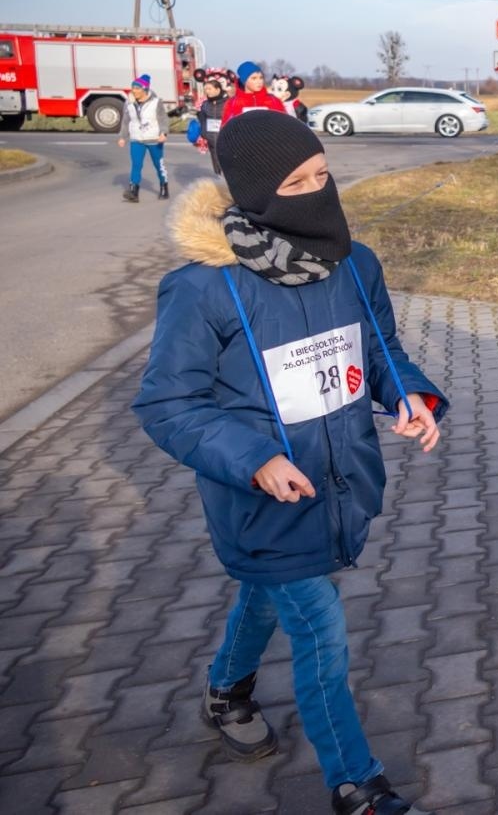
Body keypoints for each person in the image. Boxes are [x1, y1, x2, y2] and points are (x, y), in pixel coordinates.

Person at [132, 111, 446, 815]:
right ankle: (357, 785)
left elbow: (380, 349)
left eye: (322, 174)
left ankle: (226, 690)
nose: (316, 192)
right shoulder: (204, 287)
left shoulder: (355, 262)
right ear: (254, 193)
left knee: (266, 592)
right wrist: (255, 461)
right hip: (259, 498)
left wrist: (410, 396)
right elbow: (167, 404)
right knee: (318, 627)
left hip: (340, 484)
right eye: (296, 182)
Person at [118, 74, 169, 202]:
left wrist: (163, 133)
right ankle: (133, 192)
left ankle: (164, 186)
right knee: (136, 165)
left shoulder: (156, 102)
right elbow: (125, 121)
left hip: (154, 139)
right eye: (133, 88)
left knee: (159, 165)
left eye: (137, 88)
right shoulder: (129, 102)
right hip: (136, 139)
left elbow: (163, 118)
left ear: (144, 89)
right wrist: (123, 137)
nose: (134, 91)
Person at [221, 61, 292, 125]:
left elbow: (284, 124)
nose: (259, 82)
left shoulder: (273, 101)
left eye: (261, 78)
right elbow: (226, 130)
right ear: (244, 81)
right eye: (254, 78)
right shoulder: (233, 103)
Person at [187, 77, 227, 175]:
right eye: (205, 89)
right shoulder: (205, 105)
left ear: (218, 89)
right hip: (212, 141)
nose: (206, 91)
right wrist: (204, 134)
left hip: (226, 141)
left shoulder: (228, 103)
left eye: (209, 89)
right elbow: (202, 120)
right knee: (217, 168)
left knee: (228, 168)